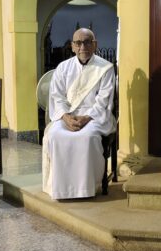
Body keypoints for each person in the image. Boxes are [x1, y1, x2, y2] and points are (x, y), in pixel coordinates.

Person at [42, 28, 116, 200]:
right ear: (72, 46)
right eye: (78, 43)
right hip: (67, 115)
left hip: (95, 117)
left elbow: (103, 100)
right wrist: (66, 117)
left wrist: (86, 118)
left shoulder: (105, 68)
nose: (83, 47)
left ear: (95, 44)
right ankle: (62, 189)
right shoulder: (63, 68)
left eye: (87, 42)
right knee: (54, 134)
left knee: (88, 138)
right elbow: (56, 97)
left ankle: (86, 188)